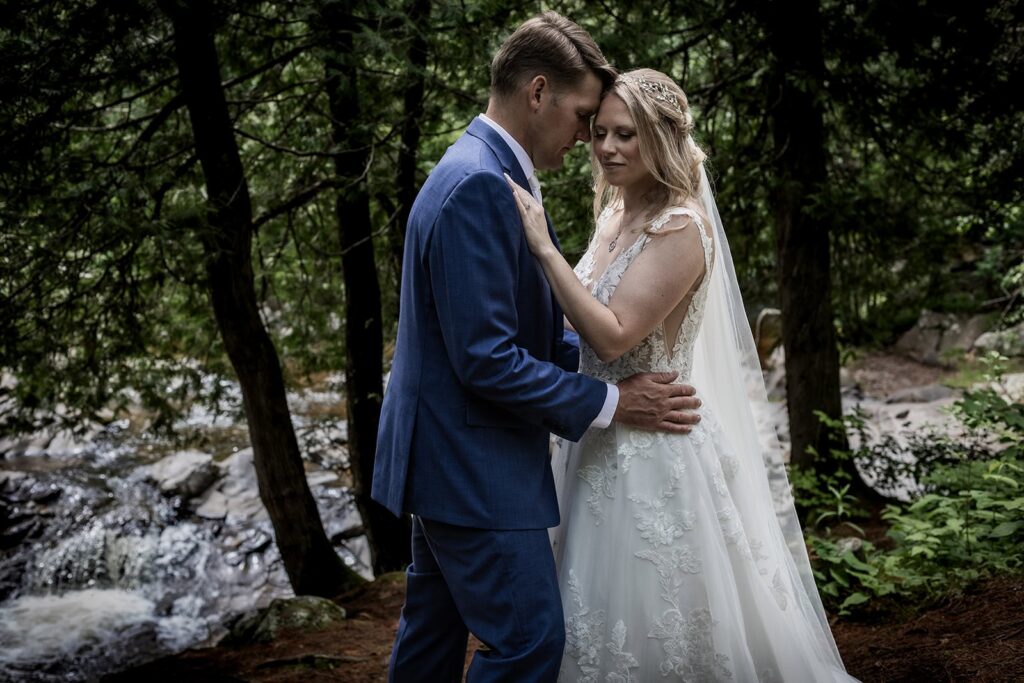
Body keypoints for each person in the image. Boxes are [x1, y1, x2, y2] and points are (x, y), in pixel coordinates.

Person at [371, 15, 702, 682]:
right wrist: (611, 399)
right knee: (527, 644)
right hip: (474, 466)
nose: (588, 136)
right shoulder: (479, 184)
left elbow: (520, 325)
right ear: (538, 92)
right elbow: (488, 359)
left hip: (446, 457)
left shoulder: (485, 167)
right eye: (584, 115)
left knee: (432, 635)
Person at [507, 68, 858, 681]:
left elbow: (613, 332)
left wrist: (542, 248)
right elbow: (578, 331)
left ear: (661, 141)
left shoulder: (681, 228)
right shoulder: (616, 213)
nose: (608, 148)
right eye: (600, 133)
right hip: (595, 437)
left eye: (627, 136)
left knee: (661, 615)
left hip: (652, 449)